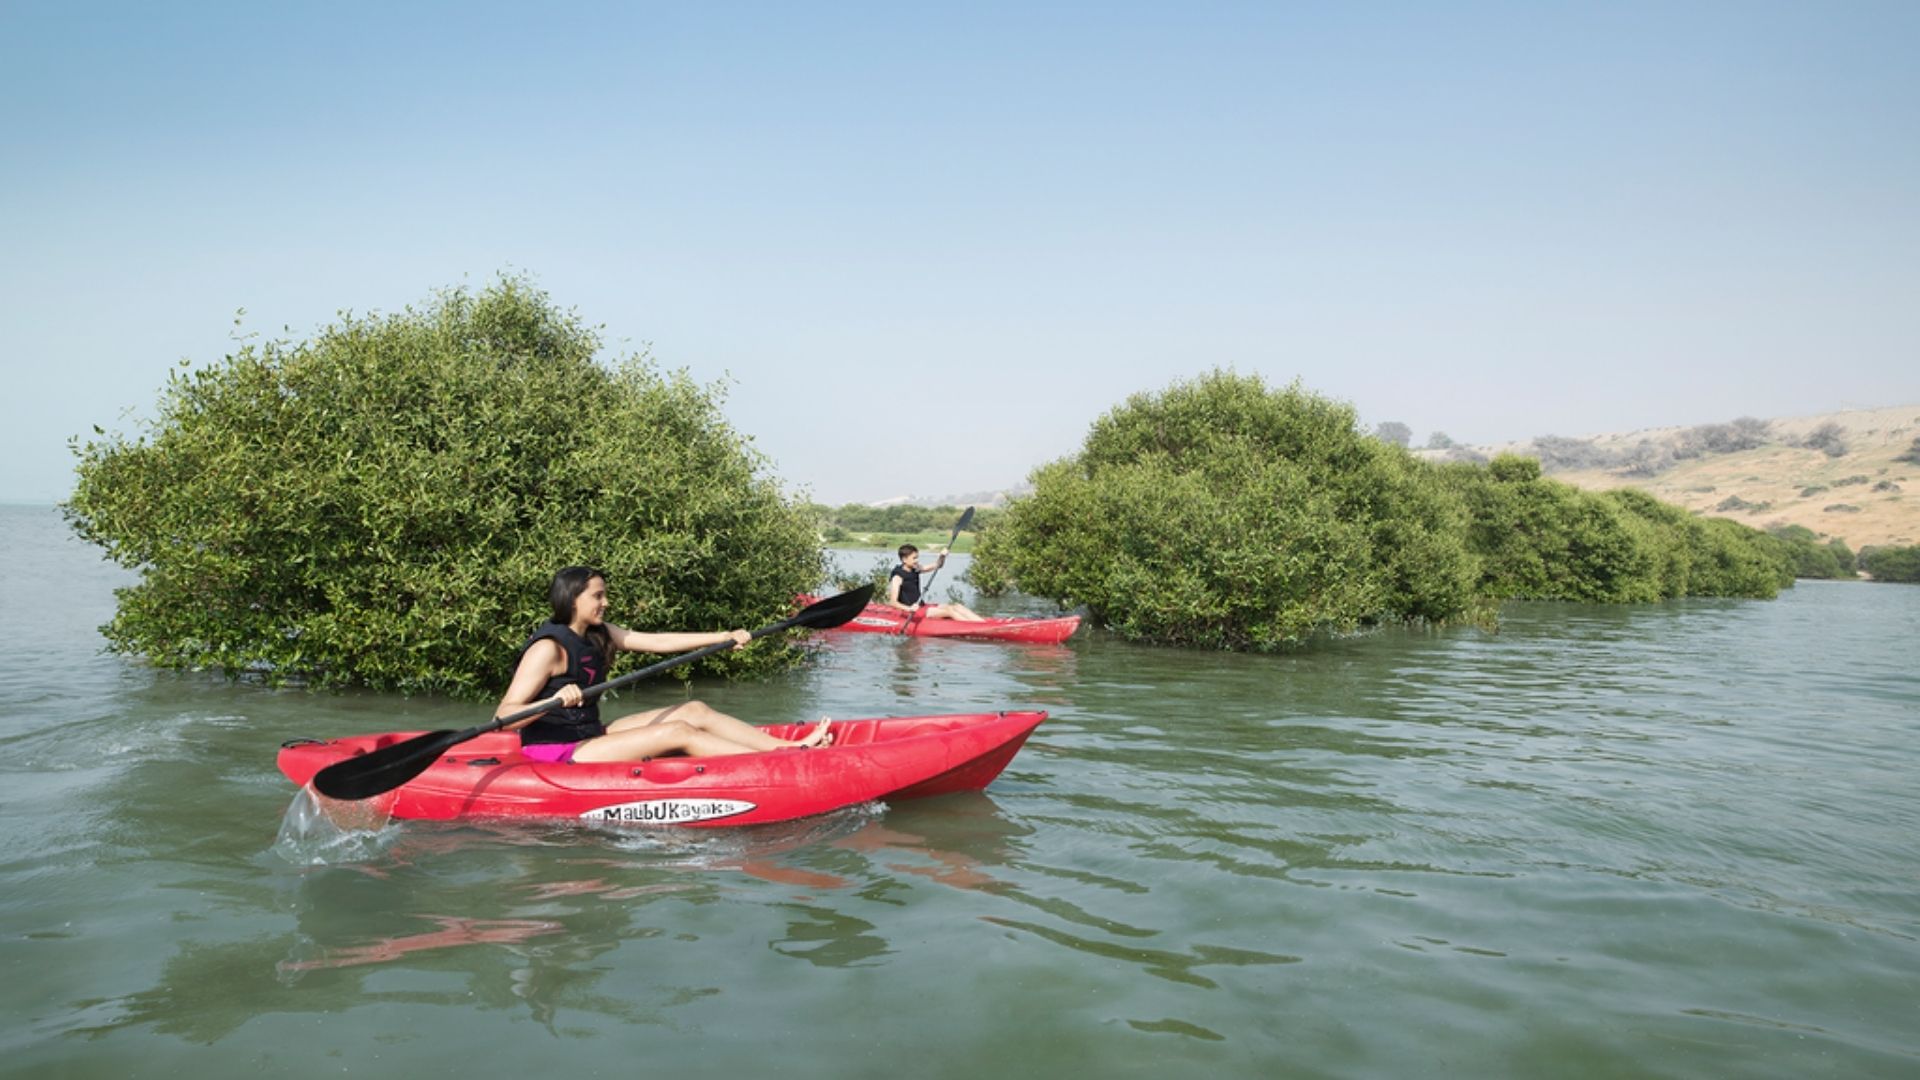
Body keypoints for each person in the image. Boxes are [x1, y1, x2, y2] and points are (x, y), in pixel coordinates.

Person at [496, 566, 832, 764]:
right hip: (556, 749)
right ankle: (777, 764)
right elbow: (504, 716)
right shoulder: (548, 649)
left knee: (694, 711)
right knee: (678, 732)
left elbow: (658, 642)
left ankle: (790, 748)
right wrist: (553, 701)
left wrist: (723, 636)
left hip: (590, 733)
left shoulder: (599, 633)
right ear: (572, 598)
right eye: (597, 596)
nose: (606, 602)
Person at [885, 543, 986, 622]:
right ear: (904, 559)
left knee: (957, 606)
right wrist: (909, 608)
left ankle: (983, 623)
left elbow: (938, 565)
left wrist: (942, 556)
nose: (917, 560)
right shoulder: (897, 577)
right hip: (913, 611)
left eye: (917, 557)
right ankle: (973, 627)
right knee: (950, 611)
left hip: (922, 606)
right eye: (914, 558)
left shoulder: (915, 569)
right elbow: (893, 602)